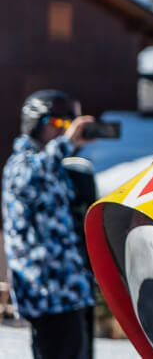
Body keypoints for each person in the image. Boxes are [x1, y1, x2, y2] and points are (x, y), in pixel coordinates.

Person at [2, 90, 97, 359]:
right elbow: (28, 179)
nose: (65, 132)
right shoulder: (20, 164)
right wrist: (66, 143)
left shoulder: (57, 168)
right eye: (58, 124)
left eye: (70, 125)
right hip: (48, 294)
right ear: (35, 123)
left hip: (72, 290)